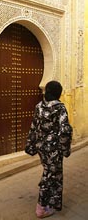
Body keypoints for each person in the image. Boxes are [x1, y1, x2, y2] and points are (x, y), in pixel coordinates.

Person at [25, 80, 73, 218]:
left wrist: (31, 145)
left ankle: (50, 202)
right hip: (54, 149)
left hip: (42, 148)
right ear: (58, 92)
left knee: (49, 172)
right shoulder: (59, 108)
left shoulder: (39, 106)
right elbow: (65, 130)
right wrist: (65, 149)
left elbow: (34, 126)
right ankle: (41, 208)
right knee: (51, 175)